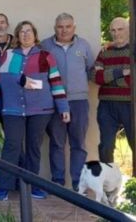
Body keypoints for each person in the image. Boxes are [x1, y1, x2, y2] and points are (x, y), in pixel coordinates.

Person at [0, 21, 70, 201]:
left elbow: (55, 82)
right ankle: (4, 186)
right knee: (12, 146)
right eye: (22, 32)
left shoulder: (45, 56)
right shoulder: (8, 55)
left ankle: (33, 186)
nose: (25, 34)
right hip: (12, 110)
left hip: (41, 110)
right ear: (17, 36)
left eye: (29, 31)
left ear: (35, 35)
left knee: (33, 148)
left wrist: (63, 107)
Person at [41, 13, 94, 191]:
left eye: (68, 26)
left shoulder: (84, 45)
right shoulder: (45, 46)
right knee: (56, 143)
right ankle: (58, 182)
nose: (64, 30)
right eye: (60, 27)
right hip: (54, 102)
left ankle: (78, 183)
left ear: (74, 27)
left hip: (79, 101)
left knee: (78, 143)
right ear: (54, 27)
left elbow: (91, 71)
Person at [90, 17, 135, 163]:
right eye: (113, 30)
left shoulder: (133, 51)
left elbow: (132, 80)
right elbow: (95, 77)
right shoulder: (105, 51)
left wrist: (107, 77)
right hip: (106, 106)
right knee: (106, 147)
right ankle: (108, 183)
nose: (116, 33)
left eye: (120, 29)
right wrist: (120, 73)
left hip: (130, 104)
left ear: (129, 30)